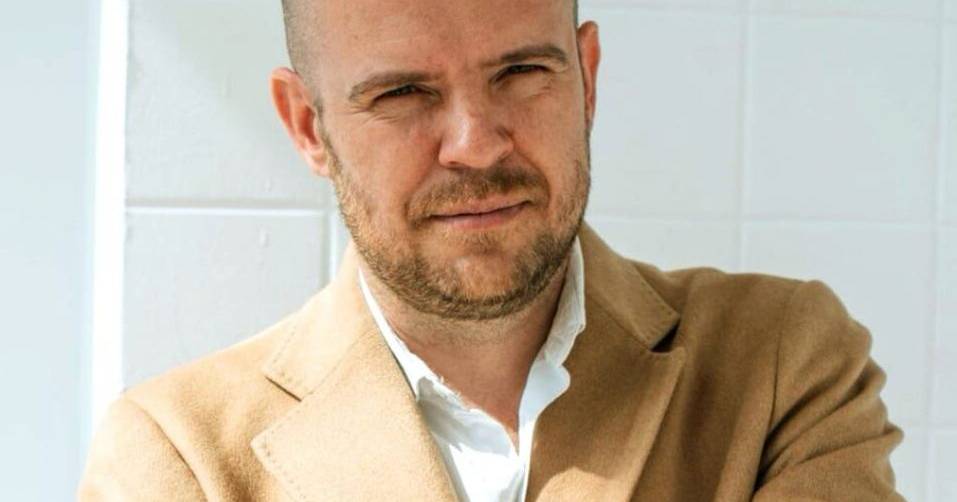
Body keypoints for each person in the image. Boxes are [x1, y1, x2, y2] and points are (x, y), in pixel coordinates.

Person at [78, 0, 905, 500]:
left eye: (520, 73)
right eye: (402, 93)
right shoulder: (180, 456)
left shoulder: (780, 364)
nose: (475, 144)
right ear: (307, 127)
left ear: (586, 77)